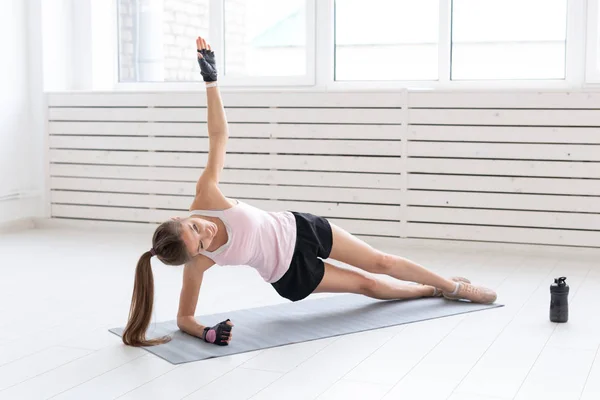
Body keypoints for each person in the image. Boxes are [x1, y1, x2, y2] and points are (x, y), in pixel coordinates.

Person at [122, 37, 497, 348]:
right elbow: (185, 316)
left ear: (179, 217)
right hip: (292, 274)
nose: (205, 234)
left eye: (195, 229)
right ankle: (428, 292)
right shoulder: (198, 262)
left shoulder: (206, 196)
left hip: (302, 228)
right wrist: (206, 332)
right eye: (200, 245)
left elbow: (219, 135)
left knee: (379, 261)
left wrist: (211, 82)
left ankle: (454, 286)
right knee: (367, 285)